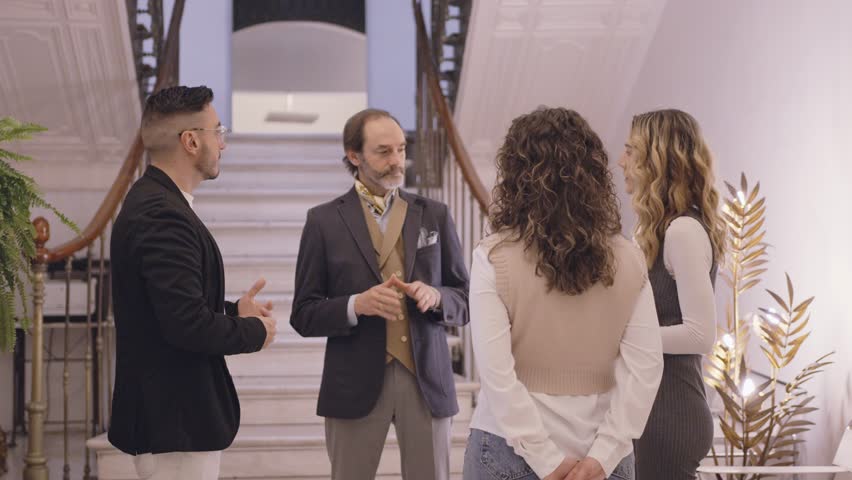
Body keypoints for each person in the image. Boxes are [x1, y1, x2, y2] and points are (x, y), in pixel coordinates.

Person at [464, 107, 664, 480]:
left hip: (508, 449)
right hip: (602, 456)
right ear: (593, 174)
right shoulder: (629, 256)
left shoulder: (493, 256)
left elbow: (496, 374)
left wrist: (545, 459)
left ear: (515, 177)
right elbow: (646, 367)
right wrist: (603, 456)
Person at [290, 108, 469, 480]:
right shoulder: (322, 221)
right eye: (383, 152)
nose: (397, 161)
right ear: (354, 156)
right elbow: (304, 314)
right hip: (353, 382)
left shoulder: (434, 214)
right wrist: (357, 304)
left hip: (426, 382)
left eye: (401, 150)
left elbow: (464, 298)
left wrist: (436, 296)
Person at [109, 85, 277, 480]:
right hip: (174, 422)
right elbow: (186, 325)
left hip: (173, 421)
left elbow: (169, 308)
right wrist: (254, 331)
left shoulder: (158, 202)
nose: (224, 145)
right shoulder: (161, 215)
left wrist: (234, 312)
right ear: (190, 141)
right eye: (218, 132)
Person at [618, 109, 725, 480]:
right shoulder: (660, 230)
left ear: (657, 160)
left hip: (671, 413)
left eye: (631, 151)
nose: (622, 161)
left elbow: (701, 334)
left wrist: (622, 338)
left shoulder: (682, 231)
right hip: (653, 407)